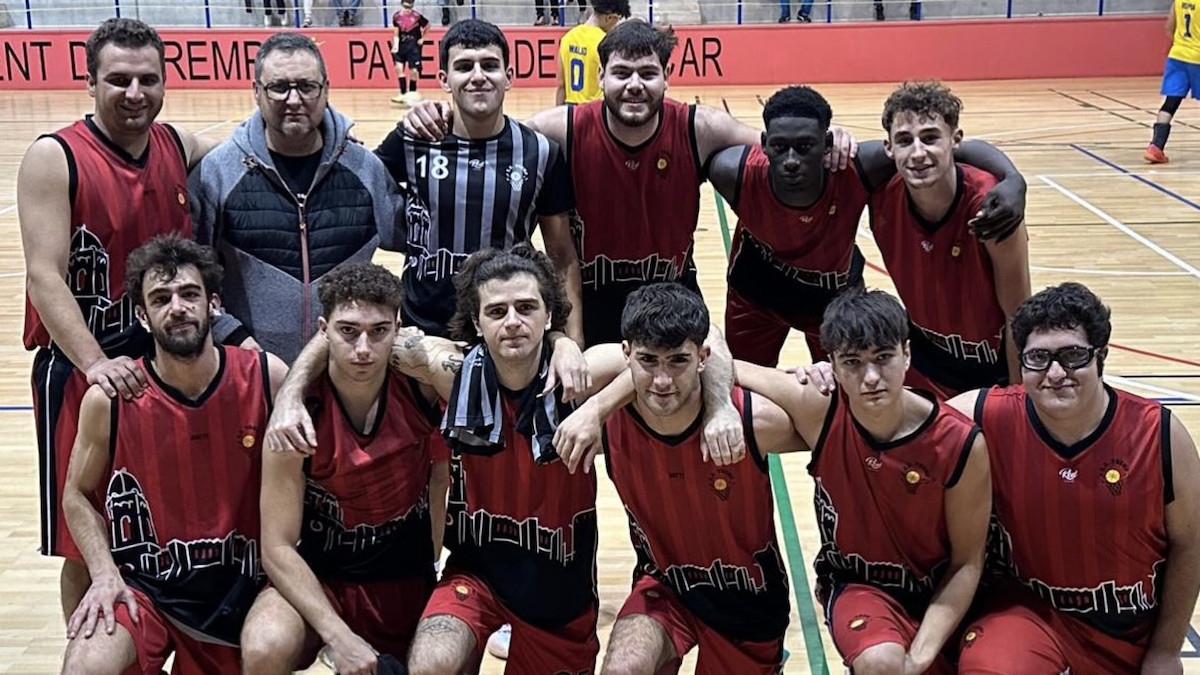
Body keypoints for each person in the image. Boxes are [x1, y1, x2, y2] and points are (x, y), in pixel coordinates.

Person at [17, 16, 219, 620]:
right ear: (90, 82)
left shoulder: (175, 145)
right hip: (85, 366)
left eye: (148, 79)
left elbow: (241, 144)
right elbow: (44, 276)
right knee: (84, 538)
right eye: (119, 80)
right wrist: (96, 363)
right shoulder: (55, 157)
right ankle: (90, 646)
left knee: (166, 520)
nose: (135, 93)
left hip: (164, 364)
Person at [59, 235, 287, 673]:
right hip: (148, 589)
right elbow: (76, 495)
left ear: (214, 304)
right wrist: (104, 574)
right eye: (161, 299)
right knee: (86, 665)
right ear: (143, 316)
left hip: (245, 586)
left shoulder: (265, 376)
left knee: (272, 641)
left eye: (189, 294)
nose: (177, 307)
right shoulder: (111, 399)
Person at [553, 283, 807, 674]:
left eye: (678, 361)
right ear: (627, 356)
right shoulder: (605, 416)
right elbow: (551, 361)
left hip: (748, 600)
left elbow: (835, 424)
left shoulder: (753, 421)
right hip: (664, 586)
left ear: (704, 358)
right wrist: (560, 341)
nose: (662, 380)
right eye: (649, 361)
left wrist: (817, 373)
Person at [947, 282, 1200, 674]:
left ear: (1101, 356)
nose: (1055, 373)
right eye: (1038, 358)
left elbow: (1191, 544)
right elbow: (905, 421)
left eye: (1072, 356)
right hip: (1029, 617)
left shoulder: (1160, 435)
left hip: (1127, 632)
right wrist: (828, 383)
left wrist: (1166, 651)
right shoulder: (986, 415)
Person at [747, 289, 990, 674]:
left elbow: (966, 563)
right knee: (881, 663)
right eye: (853, 362)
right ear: (832, 366)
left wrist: (918, 659)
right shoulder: (820, 406)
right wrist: (719, 412)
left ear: (907, 354)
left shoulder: (959, 442)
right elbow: (713, 361)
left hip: (939, 589)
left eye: (883, 357)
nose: (871, 377)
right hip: (857, 585)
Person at [707, 85, 1026, 368]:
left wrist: (1013, 179)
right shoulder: (732, 173)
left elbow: (947, 148)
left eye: (806, 146)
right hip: (757, 291)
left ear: (826, 144)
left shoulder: (857, 167)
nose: (791, 160)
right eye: (780, 147)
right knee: (743, 387)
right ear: (765, 145)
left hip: (831, 298)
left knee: (845, 397)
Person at [241, 263, 439, 675]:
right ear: (323, 330)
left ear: (398, 329)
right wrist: (339, 636)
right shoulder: (295, 414)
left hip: (403, 577)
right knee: (265, 644)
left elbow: (475, 363)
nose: (363, 349)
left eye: (378, 332)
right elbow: (276, 546)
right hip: (322, 579)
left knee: (442, 658)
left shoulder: (421, 385)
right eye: (348, 331)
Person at [190, 31, 405, 365]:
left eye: (307, 87)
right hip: (250, 368)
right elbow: (192, 275)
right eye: (279, 87)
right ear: (257, 92)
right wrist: (230, 335)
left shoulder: (365, 168)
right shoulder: (217, 172)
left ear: (325, 90)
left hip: (344, 370)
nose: (294, 100)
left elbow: (417, 242)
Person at [868, 81, 1031, 398]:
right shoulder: (879, 195)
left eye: (930, 138)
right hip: (925, 361)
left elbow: (1018, 314)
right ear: (888, 148)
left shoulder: (992, 206)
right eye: (904, 140)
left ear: (955, 140)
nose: (918, 153)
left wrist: (1016, 398)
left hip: (990, 370)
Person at [1145, 0, 1199, 164]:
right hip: (1197, 58)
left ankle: (1156, 147)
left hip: (1177, 55)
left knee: (1171, 102)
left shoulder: (1180, 1)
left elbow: (1169, 27)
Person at [555, 0, 630, 105]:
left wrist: (560, 114)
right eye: (617, 20)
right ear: (609, 18)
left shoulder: (567, 38)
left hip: (571, 108)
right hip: (594, 109)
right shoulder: (606, 42)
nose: (616, 25)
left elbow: (561, 85)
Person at [391, 0, 430, 106]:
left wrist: (423, 38)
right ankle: (403, 93)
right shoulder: (396, 17)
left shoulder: (417, 16)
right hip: (401, 45)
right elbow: (396, 32)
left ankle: (412, 92)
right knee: (399, 68)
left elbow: (427, 25)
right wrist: (395, 45)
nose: (407, 9)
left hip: (413, 46)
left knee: (414, 71)